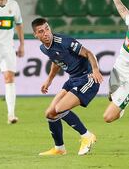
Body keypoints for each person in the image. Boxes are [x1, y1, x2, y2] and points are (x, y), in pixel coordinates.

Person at [31, 18, 103, 155]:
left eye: (47, 28)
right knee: (50, 114)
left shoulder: (64, 41)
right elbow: (56, 61)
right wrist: (49, 80)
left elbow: (88, 53)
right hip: (73, 80)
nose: (46, 33)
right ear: (36, 35)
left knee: (59, 109)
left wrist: (95, 70)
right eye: (41, 31)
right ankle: (59, 148)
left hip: (87, 79)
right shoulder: (44, 48)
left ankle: (87, 136)